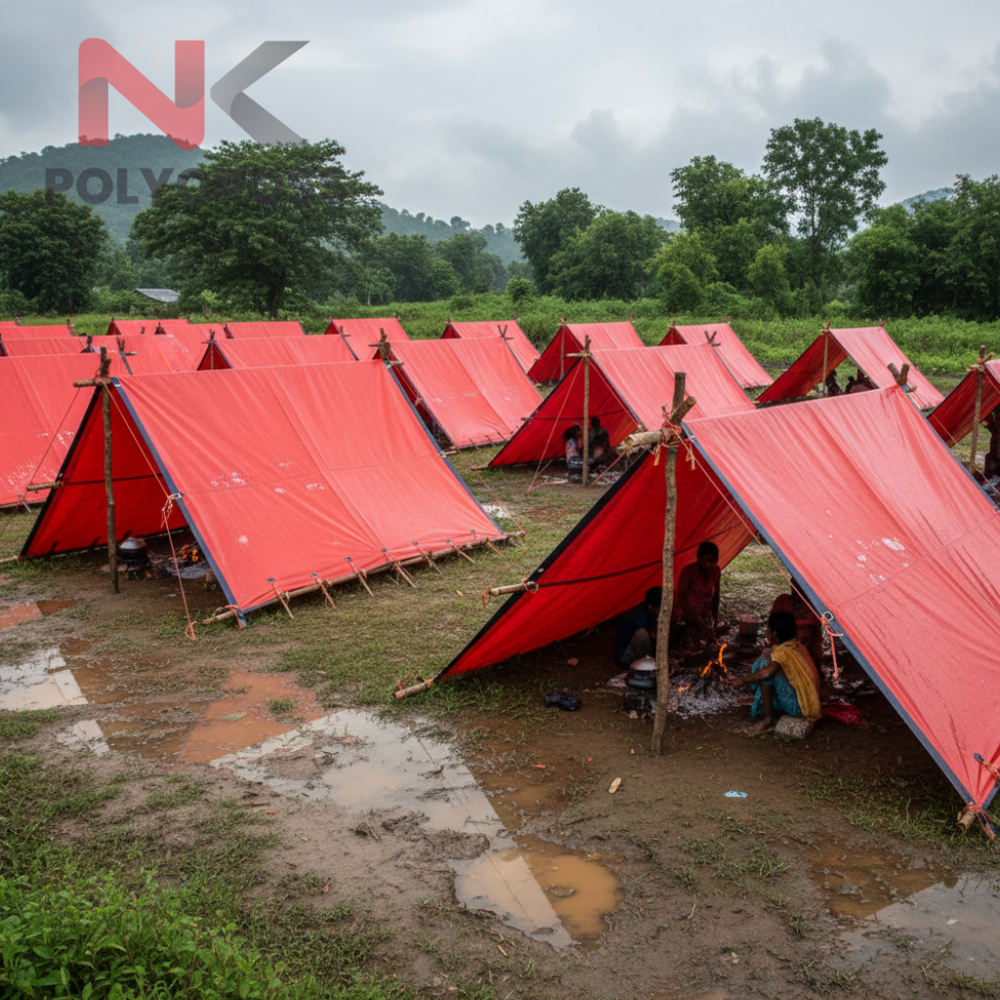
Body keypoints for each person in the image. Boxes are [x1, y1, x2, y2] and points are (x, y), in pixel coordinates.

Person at [724, 611, 822, 735]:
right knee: (764, 662)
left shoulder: (782, 653)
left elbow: (766, 673)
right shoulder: (796, 645)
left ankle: (769, 720)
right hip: (810, 702)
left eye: (767, 629)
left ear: (774, 634)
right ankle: (760, 698)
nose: (766, 632)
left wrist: (741, 680)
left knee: (765, 667)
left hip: (799, 708)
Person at [673, 541, 721, 642]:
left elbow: (716, 596)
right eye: (709, 561)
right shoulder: (688, 572)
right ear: (699, 558)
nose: (712, 565)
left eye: (715, 561)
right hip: (687, 617)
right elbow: (681, 600)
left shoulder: (716, 571)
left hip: (704, 616)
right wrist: (699, 620)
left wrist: (715, 619)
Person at [770, 578, 823, 666]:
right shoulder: (783, 601)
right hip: (784, 644)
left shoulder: (814, 605)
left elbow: (814, 624)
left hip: (806, 653)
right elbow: (773, 624)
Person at [614, 587, 661, 669]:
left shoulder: (650, 613)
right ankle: (647, 665)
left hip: (639, 651)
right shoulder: (638, 615)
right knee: (642, 634)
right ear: (650, 607)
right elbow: (654, 636)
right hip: (626, 655)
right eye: (658, 609)